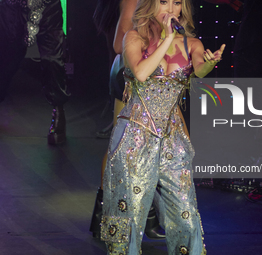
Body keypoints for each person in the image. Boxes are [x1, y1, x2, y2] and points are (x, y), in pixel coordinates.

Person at [100, 0, 225, 253]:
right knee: (130, 218)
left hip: (172, 140)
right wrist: (167, 39)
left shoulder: (193, 44)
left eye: (176, 2)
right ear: (150, 6)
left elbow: (199, 70)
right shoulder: (134, 38)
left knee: (186, 215)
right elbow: (142, 73)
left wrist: (210, 63)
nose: (170, 9)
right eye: (163, 2)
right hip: (134, 139)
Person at [90, 0, 165, 240]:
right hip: (133, 77)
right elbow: (119, 41)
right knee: (120, 147)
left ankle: (149, 219)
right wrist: (154, 42)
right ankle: (106, 221)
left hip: (156, 78)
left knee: (151, 149)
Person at [0, 0, 70, 145]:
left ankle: (58, 112)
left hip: (46, 5)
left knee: (52, 59)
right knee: (7, 57)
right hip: (13, 6)